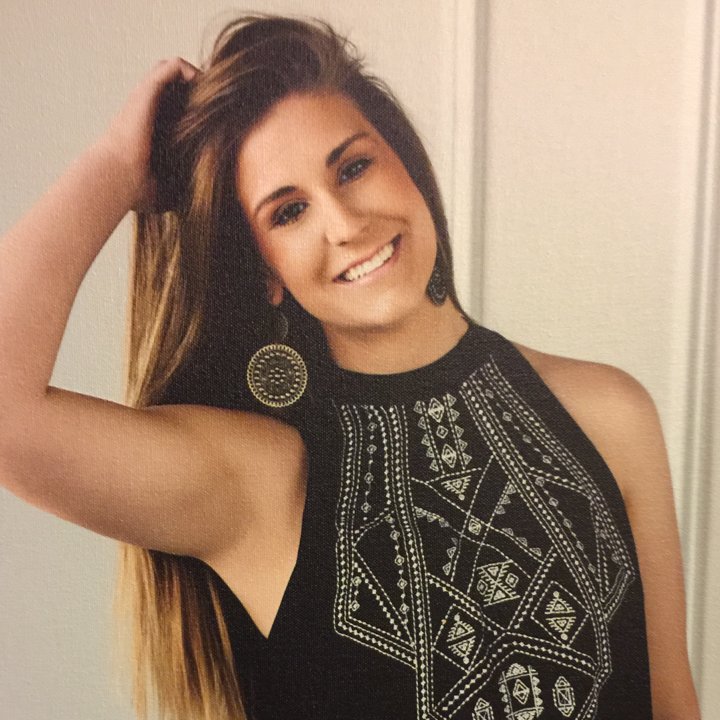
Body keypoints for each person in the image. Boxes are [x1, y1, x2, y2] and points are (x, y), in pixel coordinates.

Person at [0, 14, 700, 720]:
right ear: (266, 273)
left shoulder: (609, 413)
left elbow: (672, 704)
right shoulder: (258, 483)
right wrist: (115, 166)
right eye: (289, 212)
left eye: (354, 167)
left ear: (407, 165)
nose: (344, 223)